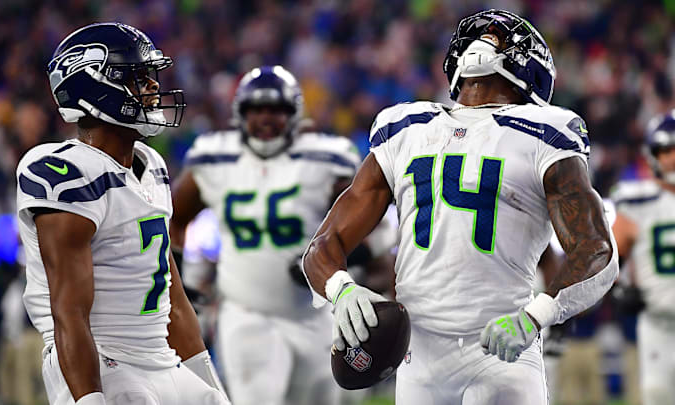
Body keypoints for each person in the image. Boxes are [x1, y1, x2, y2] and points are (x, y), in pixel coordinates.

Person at [302, 9, 619, 405]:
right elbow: (324, 243)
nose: (487, 39)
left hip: (503, 349)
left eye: (499, 37)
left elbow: (597, 252)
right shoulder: (406, 127)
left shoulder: (545, 134)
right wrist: (341, 290)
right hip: (419, 354)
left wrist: (535, 316)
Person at [15, 23, 229, 405]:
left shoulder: (152, 164)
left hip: (160, 359)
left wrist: (207, 382)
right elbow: (69, 310)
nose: (151, 88)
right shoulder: (62, 172)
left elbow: (172, 295)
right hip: (103, 359)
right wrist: (89, 399)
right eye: (138, 78)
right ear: (94, 85)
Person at [170, 65, 365, 405]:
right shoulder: (214, 157)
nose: (265, 119)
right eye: (256, 110)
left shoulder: (327, 157)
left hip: (314, 313)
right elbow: (173, 218)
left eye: (275, 110)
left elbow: (366, 225)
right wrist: (181, 274)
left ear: (294, 114)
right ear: (239, 114)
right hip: (247, 312)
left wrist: (334, 259)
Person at [611, 110, 675, 405]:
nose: (673, 158)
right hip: (658, 324)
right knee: (658, 396)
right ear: (653, 155)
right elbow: (607, 265)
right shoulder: (636, 203)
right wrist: (621, 289)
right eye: (667, 150)